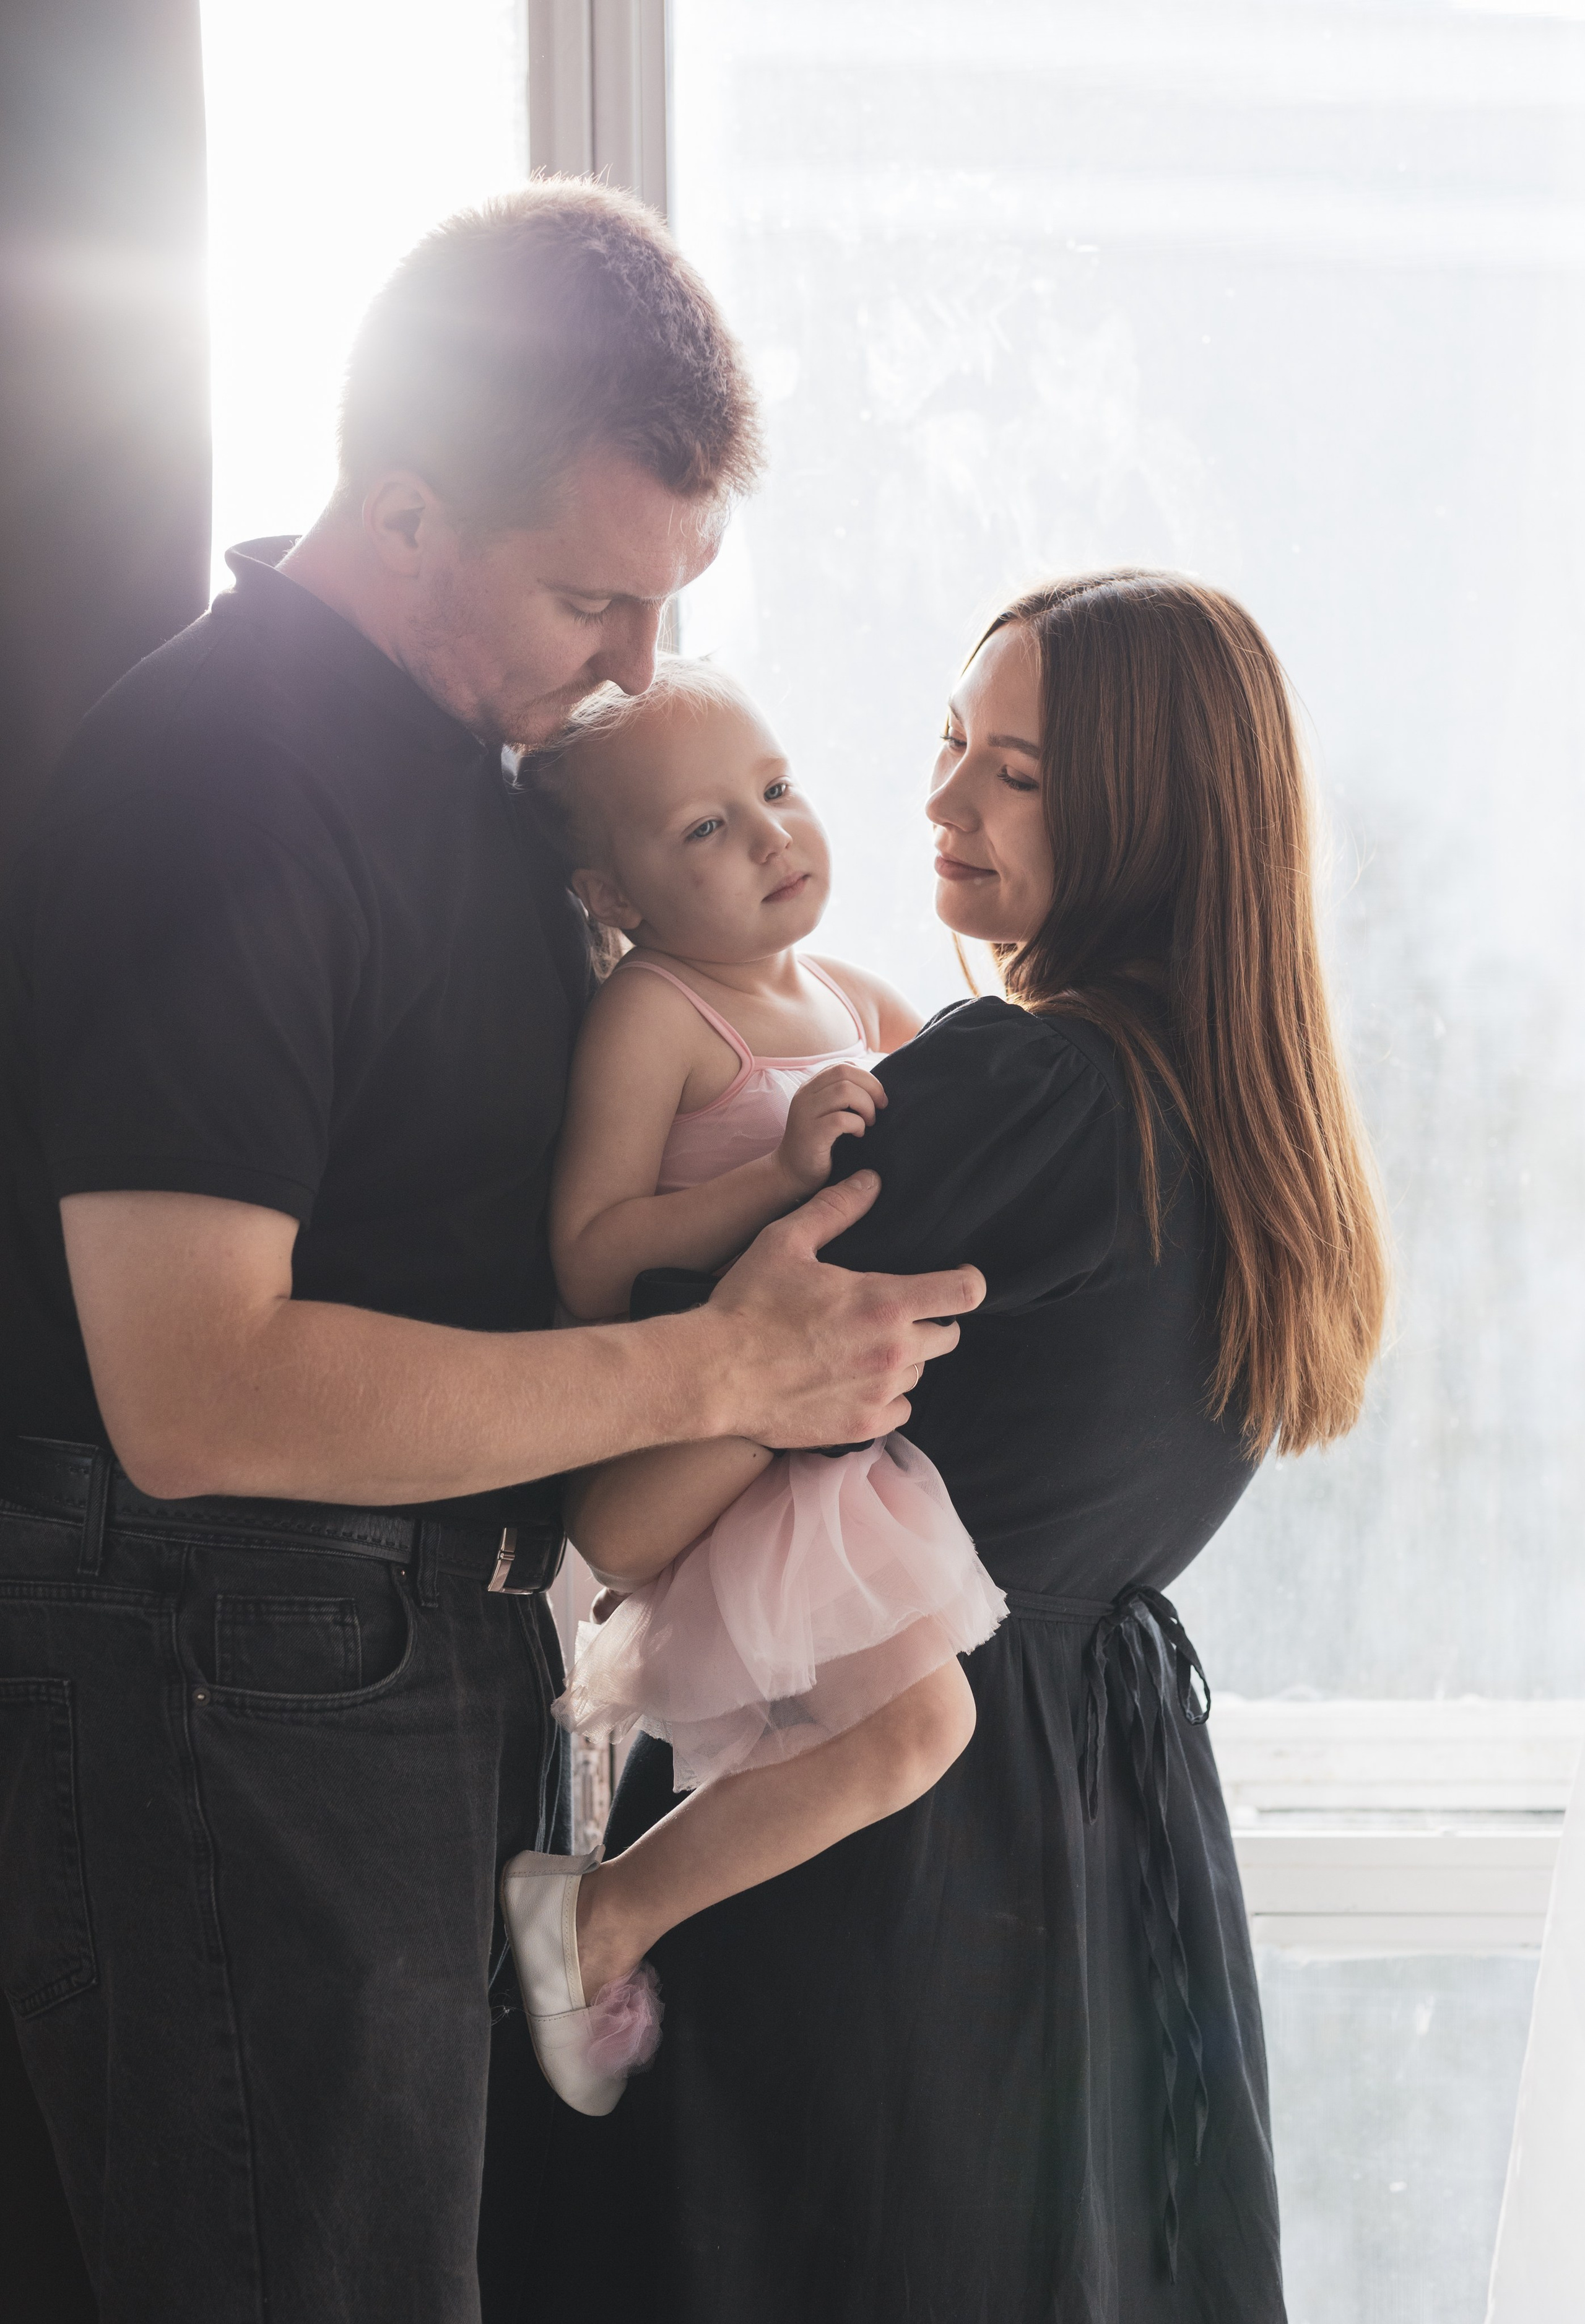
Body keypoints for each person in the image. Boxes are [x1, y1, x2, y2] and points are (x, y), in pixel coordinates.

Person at [0, 181, 981, 2324]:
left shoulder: (487, 779)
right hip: (231, 1680)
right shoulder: (223, 785)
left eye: (669, 604)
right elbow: (195, 1389)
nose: (641, 664)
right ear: (407, 508)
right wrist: (724, 1373)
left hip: (393, 1672)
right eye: (589, 597)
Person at [547, 570, 1389, 2324]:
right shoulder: (1245, 1127)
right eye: (950, 742)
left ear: (1145, 815)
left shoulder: (1029, 1092)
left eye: (1015, 772)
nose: (937, 802)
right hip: (1092, 1839)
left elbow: (630, 1520)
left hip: (881, 1859)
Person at [493, 662, 1005, 2114]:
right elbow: (590, 1254)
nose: (772, 835)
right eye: (704, 829)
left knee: (890, 1741)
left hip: (834, 1451)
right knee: (920, 1727)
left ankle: (638, 1952)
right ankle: (593, 1916)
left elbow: (958, 1125)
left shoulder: (850, 994)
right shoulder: (656, 1015)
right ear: (615, 895)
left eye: (774, 790)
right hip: (734, 1469)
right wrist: (775, 1179)